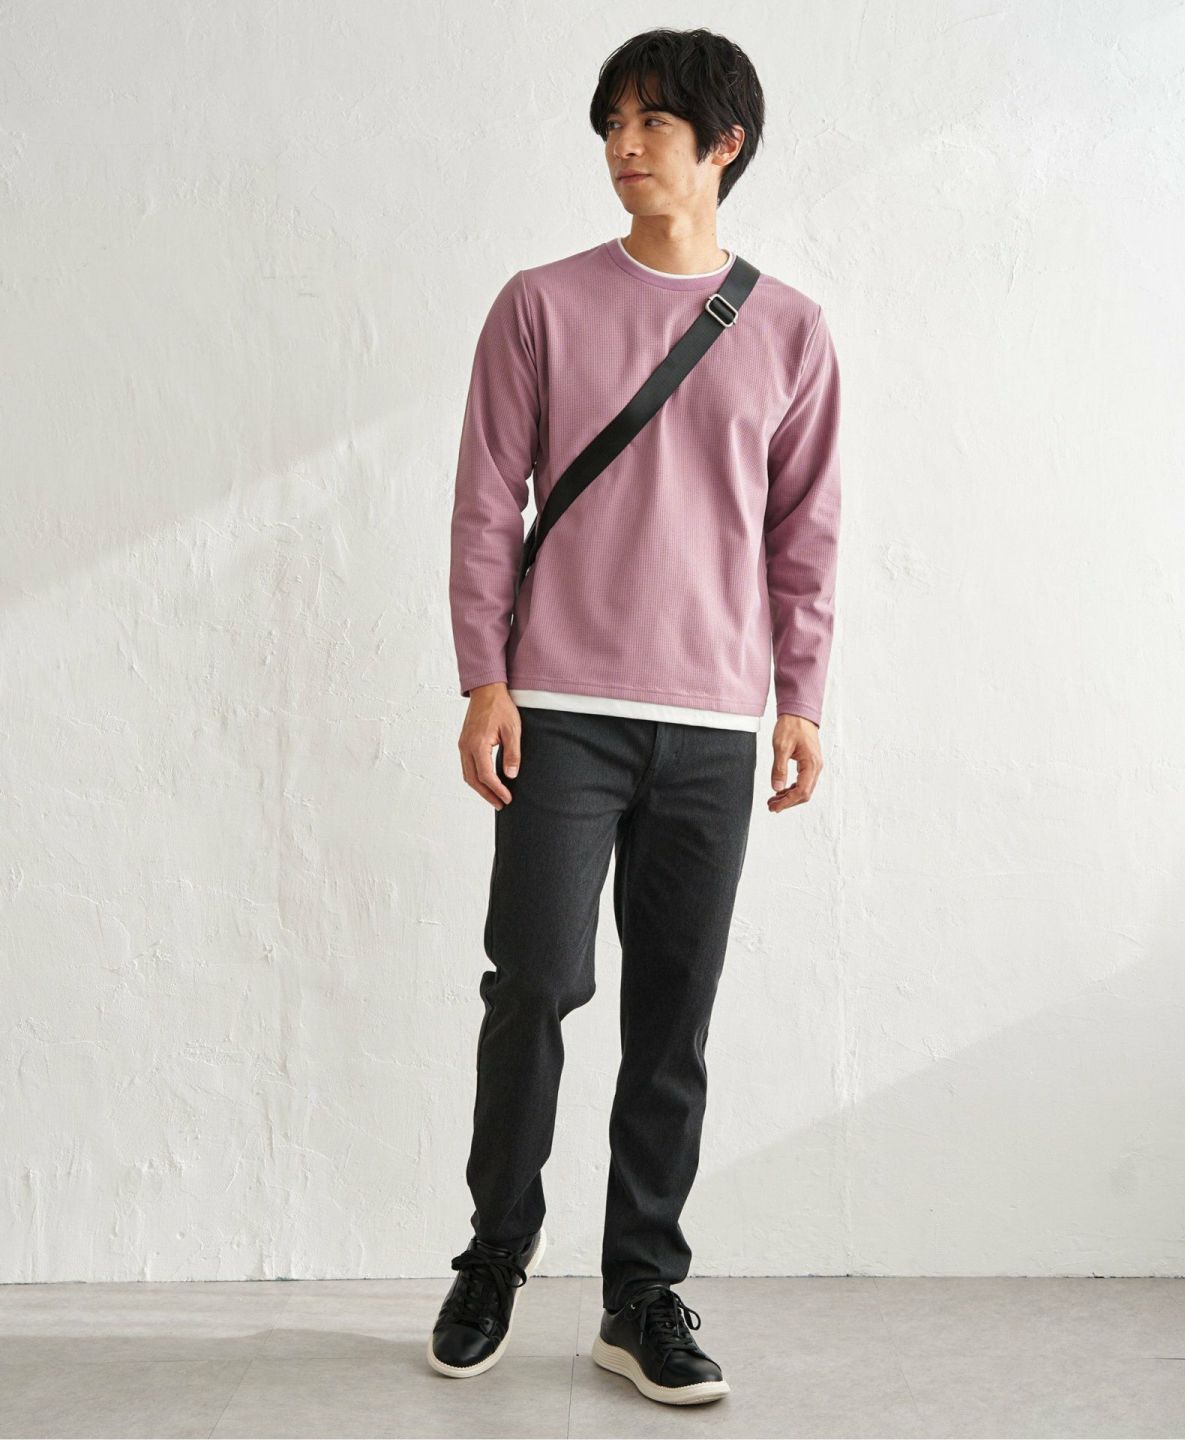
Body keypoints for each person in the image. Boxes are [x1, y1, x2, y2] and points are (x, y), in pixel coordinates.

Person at [433, 25, 842, 1407]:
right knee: (533, 986)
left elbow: (805, 535)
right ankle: (495, 1255)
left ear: (724, 144)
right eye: (613, 120)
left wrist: (802, 699)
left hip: (714, 723)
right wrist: (483, 677)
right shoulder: (539, 305)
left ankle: (640, 1294)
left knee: (674, 1015)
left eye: (655, 121)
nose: (625, 144)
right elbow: (486, 502)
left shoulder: (790, 329)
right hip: (560, 708)